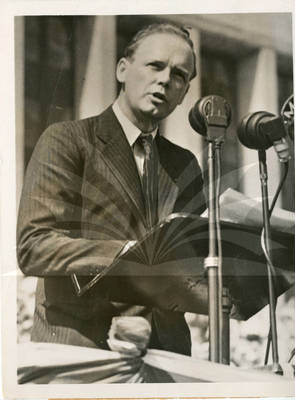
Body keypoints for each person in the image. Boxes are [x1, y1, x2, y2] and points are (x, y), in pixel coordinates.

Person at [17, 23, 206, 356]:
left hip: (166, 355)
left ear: (184, 93)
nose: (164, 79)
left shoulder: (185, 165)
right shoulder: (66, 140)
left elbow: (189, 263)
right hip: (82, 349)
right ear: (122, 69)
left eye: (178, 75)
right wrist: (129, 255)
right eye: (155, 65)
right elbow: (35, 246)